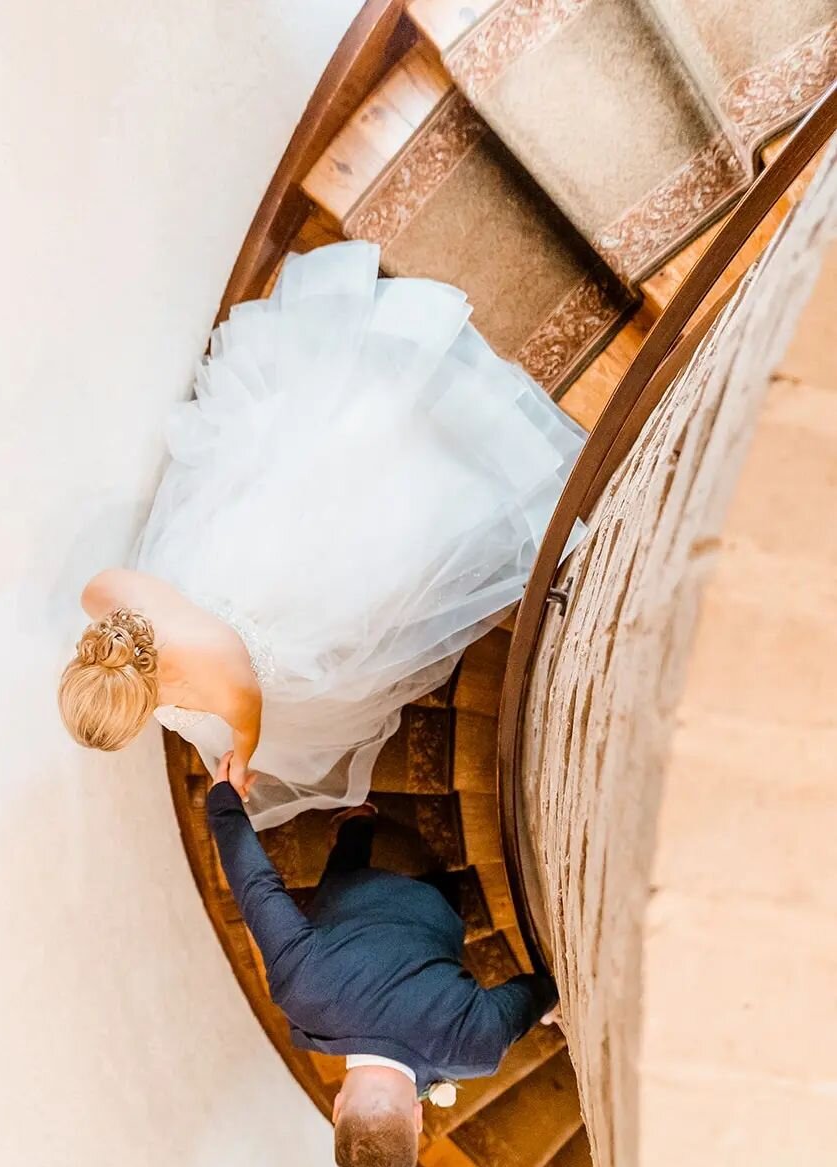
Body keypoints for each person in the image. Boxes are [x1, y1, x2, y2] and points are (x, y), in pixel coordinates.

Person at [59, 241, 585, 828]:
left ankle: (466, 441)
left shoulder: (225, 681)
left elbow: (246, 726)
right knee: (302, 468)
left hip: (295, 612)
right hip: (230, 555)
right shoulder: (103, 594)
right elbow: (106, 595)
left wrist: (235, 767)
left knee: (396, 535)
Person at [206, 753, 558, 1167]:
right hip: (351, 895)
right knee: (339, 888)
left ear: (416, 1118)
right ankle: (356, 822)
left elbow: (533, 992)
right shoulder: (300, 989)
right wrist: (223, 801)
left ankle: (402, 848)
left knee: (429, 903)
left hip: (436, 909)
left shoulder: (477, 1048)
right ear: (337, 1109)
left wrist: (549, 1005)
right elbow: (256, 886)